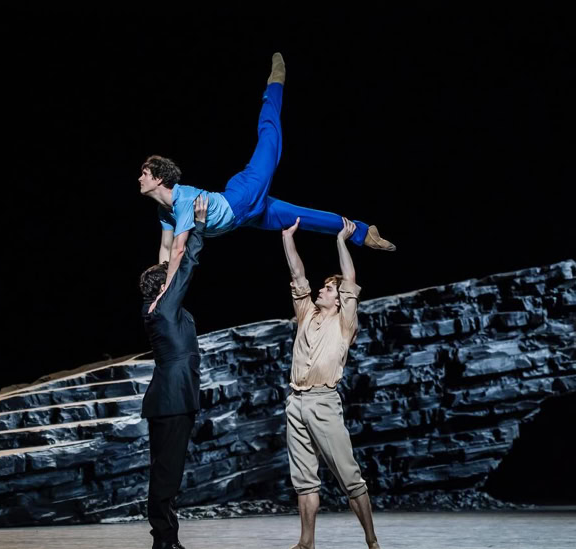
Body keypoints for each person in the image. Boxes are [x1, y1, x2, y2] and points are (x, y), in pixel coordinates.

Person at [138, 52, 395, 307]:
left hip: (244, 195)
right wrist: (162, 284)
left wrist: (166, 293)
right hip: (245, 217)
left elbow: (178, 250)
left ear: (159, 179)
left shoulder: (182, 199)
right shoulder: (164, 210)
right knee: (301, 217)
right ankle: (362, 232)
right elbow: (166, 248)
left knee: (269, 137)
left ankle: (274, 84)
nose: (140, 178)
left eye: (145, 174)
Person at [280, 216, 381, 549]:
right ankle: (306, 542)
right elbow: (297, 275)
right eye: (322, 287)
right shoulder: (306, 314)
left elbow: (349, 280)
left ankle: (372, 541)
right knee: (304, 480)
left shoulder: (345, 323)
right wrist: (288, 238)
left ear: (338, 299)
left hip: (323, 402)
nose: (321, 290)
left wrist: (341, 241)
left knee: (349, 476)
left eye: (327, 288)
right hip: (295, 403)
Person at [138, 195, 209, 549]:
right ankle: (164, 540)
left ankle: (166, 538)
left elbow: (168, 258)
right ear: (164, 286)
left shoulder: (153, 307)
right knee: (167, 474)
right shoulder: (164, 307)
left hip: (168, 399)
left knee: (167, 471)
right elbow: (187, 262)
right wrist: (199, 225)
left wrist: (167, 219)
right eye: (168, 278)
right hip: (173, 399)